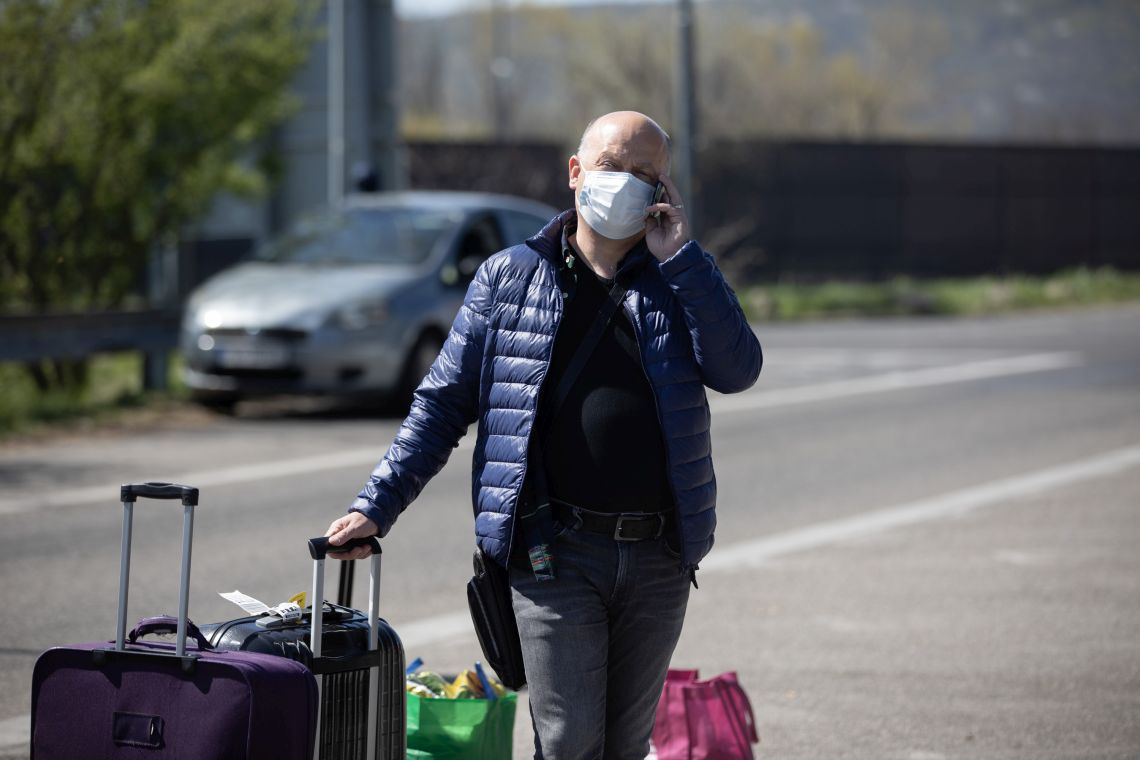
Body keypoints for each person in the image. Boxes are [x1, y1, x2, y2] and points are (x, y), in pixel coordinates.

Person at [323, 110, 762, 759]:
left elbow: (738, 369)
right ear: (577, 172)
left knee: (624, 745)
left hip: (658, 555)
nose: (629, 184)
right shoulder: (509, 278)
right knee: (569, 743)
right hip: (553, 551)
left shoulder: (677, 280)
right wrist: (373, 507)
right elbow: (442, 404)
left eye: (648, 174)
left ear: (665, 193)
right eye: (616, 166)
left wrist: (685, 262)